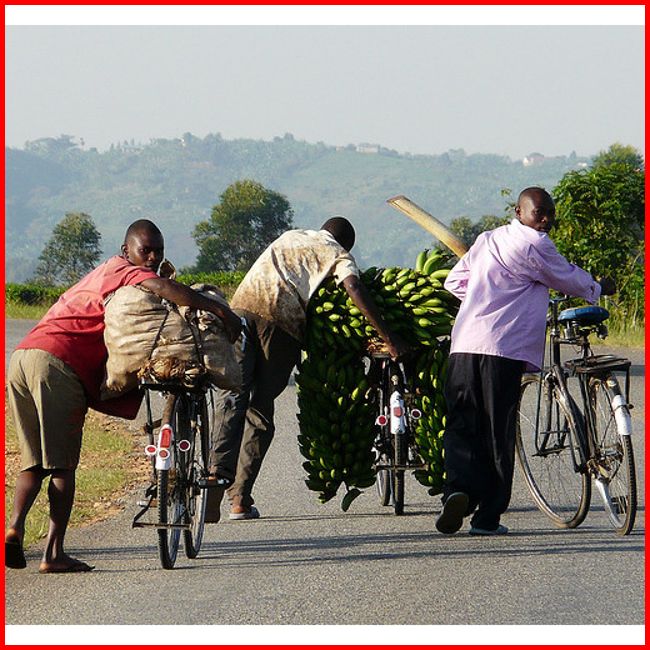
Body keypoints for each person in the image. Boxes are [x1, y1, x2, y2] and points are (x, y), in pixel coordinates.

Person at [5, 219, 241, 573]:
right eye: (144, 250)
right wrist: (219, 309)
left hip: (23, 357)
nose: (151, 257)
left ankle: (14, 528)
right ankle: (53, 554)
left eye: (157, 251)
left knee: (35, 462)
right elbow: (164, 288)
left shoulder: (103, 274)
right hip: (56, 362)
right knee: (62, 466)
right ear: (125, 250)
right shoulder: (124, 273)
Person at [435, 187, 616, 537]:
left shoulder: (488, 239)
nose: (545, 219)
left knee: (461, 423)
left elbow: (454, 281)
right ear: (519, 212)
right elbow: (567, 277)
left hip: (464, 344)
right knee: (497, 431)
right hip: (500, 348)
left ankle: (456, 489)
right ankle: (487, 517)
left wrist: (489, 295)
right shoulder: (535, 244)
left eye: (549, 213)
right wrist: (598, 287)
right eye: (539, 213)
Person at [208, 216, 410, 520]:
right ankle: (239, 498)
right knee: (260, 410)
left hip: (239, 311)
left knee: (234, 397)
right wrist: (388, 337)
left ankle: (215, 474)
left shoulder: (292, 236)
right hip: (280, 323)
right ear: (347, 243)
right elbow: (353, 287)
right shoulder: (339, 255)